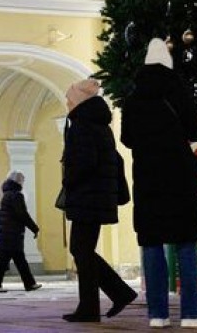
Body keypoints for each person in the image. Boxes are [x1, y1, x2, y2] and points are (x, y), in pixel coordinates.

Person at [120, 38, 197, 329]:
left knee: (153, 244)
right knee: (185, 243)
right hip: (179, 177)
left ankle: (158, 314)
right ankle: (191, 314)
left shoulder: (133, 98)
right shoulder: (178, 92)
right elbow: (195, 131)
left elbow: (127, 139)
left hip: (148, 179)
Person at [60, 78, 138, 323]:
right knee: (83, 249)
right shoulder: (97, 123)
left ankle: (100, 302)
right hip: (96, 194)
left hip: (88, 195)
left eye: (69, 99)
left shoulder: (82, 125)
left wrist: (68, 179)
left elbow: (84, 162)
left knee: (80, 249)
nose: (67, 103)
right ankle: (104, 299)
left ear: (79, 101)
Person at [0, 170, 43, 293]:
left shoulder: (2, 194)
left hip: (2, 232)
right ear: (18, 181)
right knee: (6, 260)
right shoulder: (16, 195)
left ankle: (29, 283)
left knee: (17, 258)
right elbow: (22, 214)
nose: (23, 183)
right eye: (22, 180)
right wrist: (34, 228)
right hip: (11, 233)